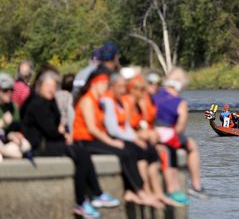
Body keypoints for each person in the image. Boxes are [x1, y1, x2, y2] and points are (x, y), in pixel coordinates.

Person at [22, 69, 120, 218]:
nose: (51, 89)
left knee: (81, 153)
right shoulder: (36, 104)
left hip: (50, 142)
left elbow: (56, 123)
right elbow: (50, 130)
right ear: (40, 85)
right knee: (80, 153)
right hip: (40, 147)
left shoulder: (49, 102)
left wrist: (60, 131)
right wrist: (62, 134)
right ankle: (82, 202)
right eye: (48, 86)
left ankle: (97, 195)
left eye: (54, 86)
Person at [72, 70, 160, 207]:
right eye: (104, 85)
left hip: (95, 140)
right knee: (125, 152)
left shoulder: (97, 101)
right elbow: (92, 129)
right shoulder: (87, 101)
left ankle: (135, 191)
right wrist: (111, 142)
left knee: (130, 150)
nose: (106, 88)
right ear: (95, 85)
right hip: (84, 141)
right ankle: (139, 192)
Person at [101, 73, 169, 205]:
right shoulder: (118, 101)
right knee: (139, 151)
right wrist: (137, 137)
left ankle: (157, 192)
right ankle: (144, 191)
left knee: (152, 152)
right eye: (141, 90)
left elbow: (131, 126)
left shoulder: (134, 103)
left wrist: (142, 135)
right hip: (115, 138)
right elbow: (115, 128)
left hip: (129, 136)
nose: (144, 93)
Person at [153, 67, 207, 202]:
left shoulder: (154, 94)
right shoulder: (180, 103)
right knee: (192, 146)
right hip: (166, 134)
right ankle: (196, 185)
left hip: (151, 132)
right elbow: (180, 129)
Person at [0, 73, 30, 161]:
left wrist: (14, 134)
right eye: (5, 90)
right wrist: (3, 122)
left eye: (11, 90)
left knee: (25, 144)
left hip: (8, 142)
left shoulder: (13, 107)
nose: (9, 93)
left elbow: (16, 128)